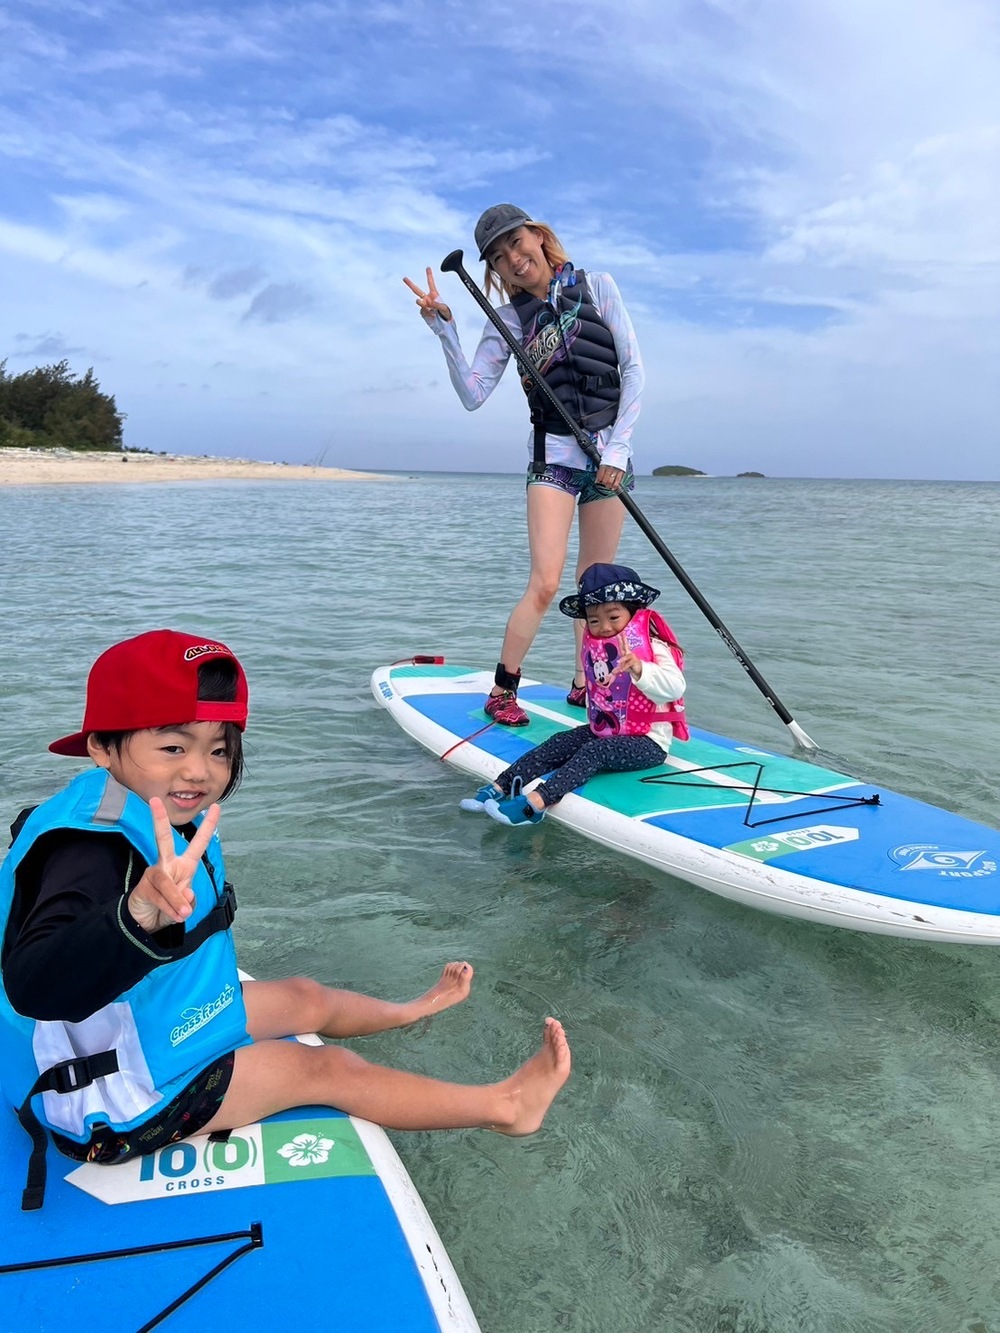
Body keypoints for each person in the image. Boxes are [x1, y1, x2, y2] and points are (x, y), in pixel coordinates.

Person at [0, 630, 570, 1204]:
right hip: (107, 1098)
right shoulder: (88, 851)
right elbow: (35, 986)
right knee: (325, 1070)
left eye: (218, 750)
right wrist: (138, 914)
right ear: (102, 747)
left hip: (152, 1024)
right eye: (173, 748)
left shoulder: (139, 804)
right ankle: (507, 1107)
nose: (199, 771)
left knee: (305, 996)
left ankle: (411, 1011)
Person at [404, 203, 644, 727]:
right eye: (497, 256)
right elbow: (473, 394)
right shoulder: (507, 320)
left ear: (537, 236)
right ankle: (502, 690)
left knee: (595, 585)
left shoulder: (598, 286)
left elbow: (632, 369)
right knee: (546, 582)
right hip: (554, 458)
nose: (512, 258)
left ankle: (585, 684)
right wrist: (445, 331)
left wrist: (619, 451)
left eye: (516, 242)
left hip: (609, 458)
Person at [459, 564, 688, 826]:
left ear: (634, 611)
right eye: (594, 620)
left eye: (614, 617)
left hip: (648, 742)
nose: (604, 627)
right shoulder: (598, 650)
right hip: (607, 730)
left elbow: (675, 687)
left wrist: (639, 668)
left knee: (594, 752)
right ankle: (501, 786)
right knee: (559, 742)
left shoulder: (654, 647)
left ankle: (536, 804)